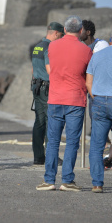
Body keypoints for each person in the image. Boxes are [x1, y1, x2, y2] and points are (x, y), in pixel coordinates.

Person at [36, 15, 92, 191]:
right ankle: (67, 180)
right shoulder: (86, 50)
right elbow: (88, 74)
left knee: (53, 141)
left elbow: (50, 67)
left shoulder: (52, 46)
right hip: (76, 99)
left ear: (65, 30)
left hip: (55, 98)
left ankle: (49, 180)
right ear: (81, 30)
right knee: (72, 142)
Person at [86, 26, 112, 193]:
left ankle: (97, 183)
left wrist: (97, 98)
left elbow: (88, 82)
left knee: (97, 145)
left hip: (98, 101)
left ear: (111, 38)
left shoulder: (97, 56)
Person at [31, 22, 64, 165]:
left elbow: (33, 69)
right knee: (50, 122)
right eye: (61, 35)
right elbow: (50, 69)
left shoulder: (37, 46)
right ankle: (52, 158)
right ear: (56, 33)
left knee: (39, 122)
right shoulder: (50, 47)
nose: (61, 39)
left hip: (37, 87)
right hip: (47, 88)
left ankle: (38, 157)